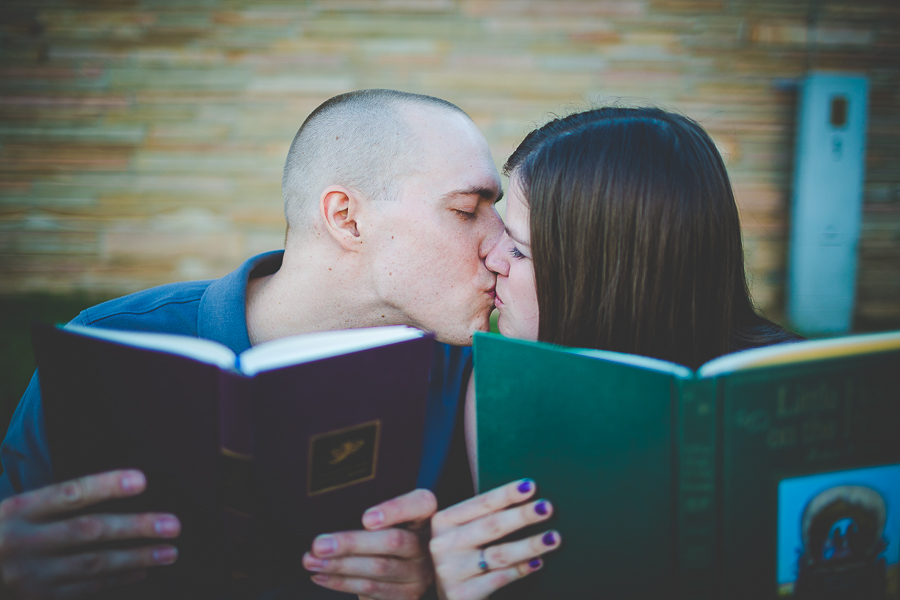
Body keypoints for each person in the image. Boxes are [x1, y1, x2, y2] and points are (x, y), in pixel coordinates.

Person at [0, 89, 504, 599]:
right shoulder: (108, 341)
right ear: (347, 218)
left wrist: (431, 590)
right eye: (467, 210)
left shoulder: (477, 381)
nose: (503, 245)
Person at [425, 106, 802, 600]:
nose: (493, 261)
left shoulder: (792, 386)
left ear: (599, 273)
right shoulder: (502, 394)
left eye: (519, 249)